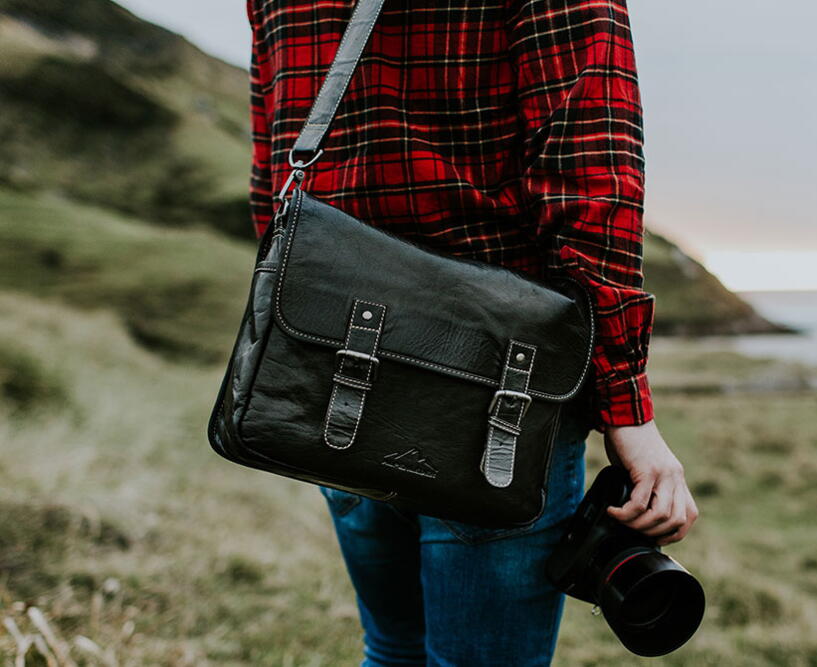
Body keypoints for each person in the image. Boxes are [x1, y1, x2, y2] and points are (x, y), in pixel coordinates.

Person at [245, 0, 698, 664]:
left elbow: (275, 174)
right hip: (500, 386)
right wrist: (627, 410)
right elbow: (591, 183)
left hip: (338, 355)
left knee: (393, 649)